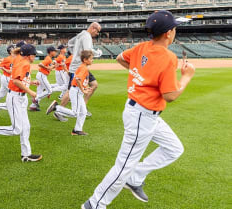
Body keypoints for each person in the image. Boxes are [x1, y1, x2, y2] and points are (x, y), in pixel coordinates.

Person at [81, 10, 195, 209]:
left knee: (174, 148)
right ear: (168, 33)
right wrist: (186, 77)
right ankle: (94, 204)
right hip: (142, 114)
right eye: (174, 27)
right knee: (124, 165)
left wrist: (141, 76)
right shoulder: (168, 57)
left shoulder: (142, 46)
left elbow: (120, 58)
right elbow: (170, 95)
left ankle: (136, 178)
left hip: (142, 112)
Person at [0, 44, 42, 162]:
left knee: (26, 127)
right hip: (15, 98)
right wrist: (31, 92)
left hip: (21, 98)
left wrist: (31, 82)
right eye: (34, 54)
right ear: (29, 55)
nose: (35, 56)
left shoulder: (21, 60)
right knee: (16, 129)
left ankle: (26, 155)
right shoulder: (23, 63)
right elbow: (16, 81)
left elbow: (20, 78)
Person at [58, 22, 102, 120]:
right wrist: (98, 53)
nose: (97, 34)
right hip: (79, 67)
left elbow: (70, 43)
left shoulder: (80, 34)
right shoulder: (87, 36)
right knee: (71, 90)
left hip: (77, 65)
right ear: (93, 28)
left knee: (93, 85)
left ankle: (83, 109)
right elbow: (87, 51)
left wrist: (75, 53)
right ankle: (59, 110)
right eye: (98, 31)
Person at [46, 50, 93, 136]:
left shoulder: (83, 67)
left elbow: (79, 80)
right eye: (91, 59)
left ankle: (77, 130)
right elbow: (78, 79)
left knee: (83, 112)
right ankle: (56, 107)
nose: (92, 60)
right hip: (76, 91)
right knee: (75, 113)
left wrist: (85, 87)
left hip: (77, 90)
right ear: (85, 60)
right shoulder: (83, 68)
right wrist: (83, 90)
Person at [0, 41, 27, 118]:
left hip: (13, 80)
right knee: (18, 101)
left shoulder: (18, 58)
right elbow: (11, 71)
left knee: (20, 102)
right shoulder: (15, 59)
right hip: (11, 80)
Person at [29, 46, 57, 111]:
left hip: (41, 75)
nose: (55, 52)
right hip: (42, 75)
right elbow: (40, 64)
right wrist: (48, 68)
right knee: (49, 90)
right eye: (54, 51)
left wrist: (52, 65)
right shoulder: (48, 59)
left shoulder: (49, 58)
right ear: (51, 52)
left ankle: (33, 106)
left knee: (40, 91)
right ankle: (35, 99)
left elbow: (49, 67)